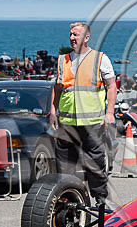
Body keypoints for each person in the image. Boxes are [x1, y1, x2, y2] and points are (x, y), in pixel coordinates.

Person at [49, 22, 117, 206]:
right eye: (71, 34)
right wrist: (53, 110)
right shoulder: (63, 60)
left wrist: (109, 112)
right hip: (67, 123)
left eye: (76, 35)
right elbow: (58, 87)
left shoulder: (100, 59)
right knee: (64, 167)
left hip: (92, 122)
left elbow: (112, 86)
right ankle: (67, 200)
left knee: (94, 164)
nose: (72, 38)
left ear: (86, 38)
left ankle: (101, 200)